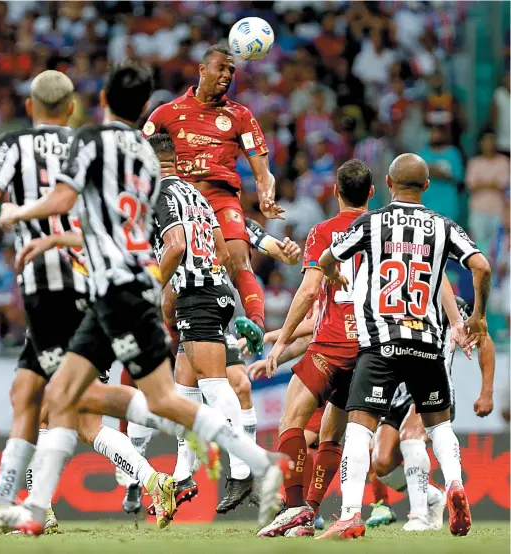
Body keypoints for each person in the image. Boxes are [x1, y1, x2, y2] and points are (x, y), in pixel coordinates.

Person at [0, 62, 289, 536]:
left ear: (102, 100)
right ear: (147, 108)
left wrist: (19, 216)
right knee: (109, 399)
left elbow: (71, 207)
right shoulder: (153, 168)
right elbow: (213, 235)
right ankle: (54, 504)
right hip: (136, 290)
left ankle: (33, 503)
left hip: (108, 292)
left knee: (71, 398)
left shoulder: (96, 145)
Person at [0, 70, 177, 537]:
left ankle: (32, 506)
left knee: (44, 403)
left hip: (55, 293)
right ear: (72, 107)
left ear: (31, 106)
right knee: (79, 417)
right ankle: (151, 479)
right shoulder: (90, 146)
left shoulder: (16, 146)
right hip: (98, 292)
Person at [317, 153, 491, 539]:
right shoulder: (443, 226)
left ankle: (350, 514)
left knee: (359, 429)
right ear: (427, 187)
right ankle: (454, 486)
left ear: (389, 184)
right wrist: (477, 316)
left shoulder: (372, 222)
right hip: (428, 342)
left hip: (380, 343)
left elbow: (329, 258)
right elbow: (482, 266)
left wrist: (333, 274)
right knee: (440, 425)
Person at [123, 178, 302, 517]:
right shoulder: (198, 197)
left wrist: (160, 286)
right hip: (206, 294)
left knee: (219, 385)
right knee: (184, 387)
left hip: (196, 298)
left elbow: (178, 247)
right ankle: (182, 475)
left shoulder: (163, 196)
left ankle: (242, 471)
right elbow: (221, 250)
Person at [256, 159, 375, 538]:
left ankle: (293, 510)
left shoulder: (323, 231)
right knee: (332, 435)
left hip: (332, 343)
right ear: (372, 193)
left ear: (336, 192)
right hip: (371, 347)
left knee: (291, 419)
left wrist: (283, 342)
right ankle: (312, 510)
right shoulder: (383, 233)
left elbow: (309, 291)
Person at [142, 44, 283, 357]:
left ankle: (255, 326)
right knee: (169, 299)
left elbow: (263, 170)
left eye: (231, 70)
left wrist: (265, 194)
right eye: (221, 68)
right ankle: (170, 349)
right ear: (202, 70)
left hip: (221, 199)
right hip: (179, 203)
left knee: (237, 258)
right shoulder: (166, 113)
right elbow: (140, 157)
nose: (227, 75)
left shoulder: (240, 115)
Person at [370, 295, 495, 532]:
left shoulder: (449, 301)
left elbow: (483, 339)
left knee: (410, 438)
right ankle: (432, 496)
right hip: (396, 395)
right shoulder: (385, 297)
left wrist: (486, 392)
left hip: (433, 386)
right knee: (382, 463)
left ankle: (419, 517)